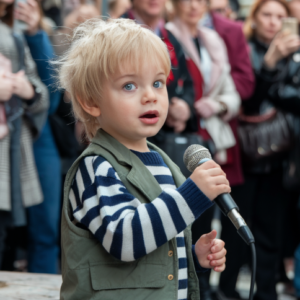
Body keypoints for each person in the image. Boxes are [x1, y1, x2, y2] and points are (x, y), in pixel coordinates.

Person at [57, 18, 229, 300]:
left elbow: (156, 241)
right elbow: (125, 238)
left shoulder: (163, 162)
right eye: (129, 86)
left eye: (158, 83)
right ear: (91, 101)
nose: (150, 96)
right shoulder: (96, 167)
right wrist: (192, 195)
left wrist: (191, 254)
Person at [220, 0, 300, 299]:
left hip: (281, 153)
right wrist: (269, 65)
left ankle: (264, 292)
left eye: (281, 16)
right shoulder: (245, 47)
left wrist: (278, 87)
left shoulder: (295, 54)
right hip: (246, 151)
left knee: (271, 229)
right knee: (236, 225)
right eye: (267, 14)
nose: (273, 22)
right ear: (255, 17)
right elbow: (249, 99)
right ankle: (228, 289)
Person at [165, 0, 240, 299]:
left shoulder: (212, 40)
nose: (194, 5)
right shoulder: (169, 37)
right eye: (187, 0)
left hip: (210, 135)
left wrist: (217, 105)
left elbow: (231, 91)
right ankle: (187, 283)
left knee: (210, 216)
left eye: (201, 0)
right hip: (178, 135)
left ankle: (204, 286)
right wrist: (184, 107)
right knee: (186, 210)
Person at [13, 0, 62, 273]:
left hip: (38, 135)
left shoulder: (46, 32)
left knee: (45, 232)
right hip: (8, 137)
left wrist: (34, 33)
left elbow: (51, 98)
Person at [0, 0, 49, 267]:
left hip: (12, 154)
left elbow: (43, 93)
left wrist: (26, 89)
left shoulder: (15, 31)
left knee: (7, 239)